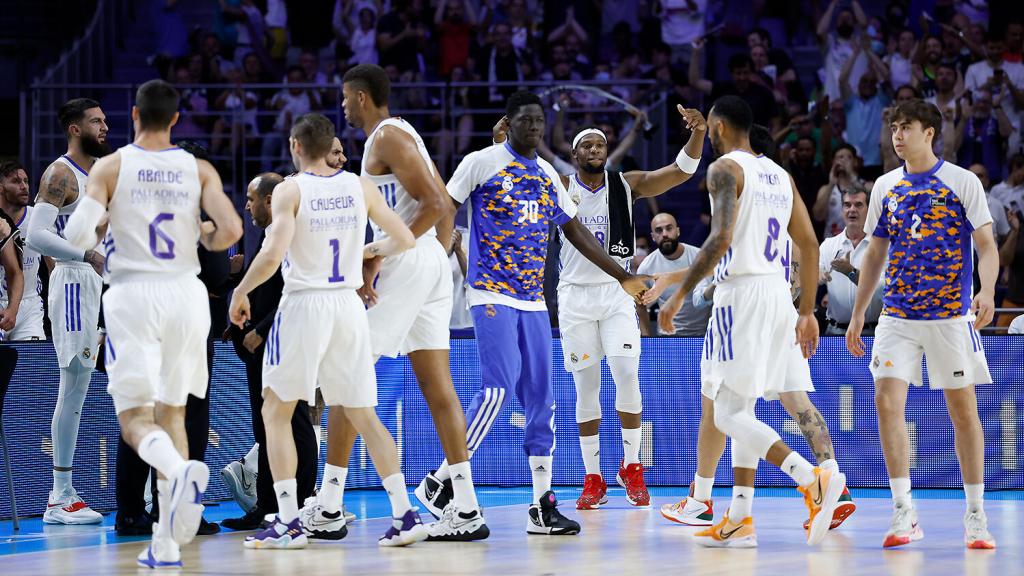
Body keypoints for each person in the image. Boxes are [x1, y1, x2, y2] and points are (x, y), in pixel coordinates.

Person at [429, 90, 648, 536]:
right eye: (524, 121)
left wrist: (620, 275)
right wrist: (432, 268)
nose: (533, 128)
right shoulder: (480, 162)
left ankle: (541, 505)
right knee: (498, 390)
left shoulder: (549, 174)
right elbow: (442, 211)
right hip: (490, 292)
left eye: (538, 122)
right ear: (507, 124)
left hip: (533, 301)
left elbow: (578, 233)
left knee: (541, 404)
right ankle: (442, 480)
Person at [295, 64, 487, 542]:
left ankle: (331, 506)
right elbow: (444, 199)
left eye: (344, 97)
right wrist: (436, 258)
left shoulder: (385, 137)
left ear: (361, 97)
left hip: (406, 260)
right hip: (424, 261)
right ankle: (465, 508)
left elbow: (436, 204)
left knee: (347, 375)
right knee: (436, 385)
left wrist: (381, 253)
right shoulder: (404, 135)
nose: (341, 106)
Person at [62, 79, 243, 568]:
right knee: (175, 414)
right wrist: (199, 228)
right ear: (176, 120)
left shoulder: (113, 165)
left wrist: (105, 223)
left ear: (136, 117)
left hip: (135, 295)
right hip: (188, 296)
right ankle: (165, 543)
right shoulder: (196, 167)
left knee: (136, 419)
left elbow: (79, 232)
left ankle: (177, 473)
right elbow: (230, 231)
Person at [228, 112, 426, 550]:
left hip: (305, 304)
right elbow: (406, 239)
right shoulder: (359, 185)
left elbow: (274, 251)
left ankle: (287, 521)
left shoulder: (290, 188)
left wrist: (241, 289)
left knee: (275, 411)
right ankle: (404, 513)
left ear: (296, 146)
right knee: (361, 412)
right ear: (328, 145)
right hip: (347, 305)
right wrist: (366, 251)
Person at [657, 95, 847, 548]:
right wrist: (806, 311)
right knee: (743, 410)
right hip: (779, 296)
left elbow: (720, 239)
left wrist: (676, 295)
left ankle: (812, 480)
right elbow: (808, 241)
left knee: (724, 412)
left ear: (718, 129)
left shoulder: (724, 170)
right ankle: (740, 517)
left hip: (740, 296)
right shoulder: (780, 175)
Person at [534, 105, 705, 511]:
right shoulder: (562, 185)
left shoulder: (626, 184)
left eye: (601, 144)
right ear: (574, 155)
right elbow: (522, 171)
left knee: (628, 376)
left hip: (616, 295)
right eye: (587, 144)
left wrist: (697, 134)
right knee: (585, 389)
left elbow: (680, 171)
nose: (595, 148)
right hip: (575, 297)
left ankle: (632, 466)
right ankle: (592, 477)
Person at [847, 99, 998, 549]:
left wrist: (987, 290)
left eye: (906, 127)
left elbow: (987, 246)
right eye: (893, 126)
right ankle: (903, 511)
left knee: (963, 412)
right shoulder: (885, 186)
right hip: (897, 316)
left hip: (950, 317)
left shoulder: (962, 182)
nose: (897, 135)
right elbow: (874, 253)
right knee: (886, 401)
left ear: (929, 133)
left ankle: (975, 515)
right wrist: (859, 314)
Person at [219, 173, 321, 532]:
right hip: (257, 346)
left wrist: (261, 329)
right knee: (266, 429)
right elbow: (263, 289)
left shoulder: (291, 236)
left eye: (251, 198)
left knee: (295, 423)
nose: (246, 205)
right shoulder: (266, 235)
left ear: (269, 200)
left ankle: (307, 503)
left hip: (284, 340)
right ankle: (266, 507)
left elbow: (297, 291)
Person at [24, 98, 109, 524]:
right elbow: (36, 235)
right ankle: (59, 495)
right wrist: (85, 253)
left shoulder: (98, 174)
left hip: (94, 284)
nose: (104, 127)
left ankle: (65, 491)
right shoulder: (61, 173)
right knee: (72, 386)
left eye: (105, 120)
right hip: (74, 281)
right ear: (74, 129)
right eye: (96, 121)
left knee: (80, 389)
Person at [818, 188, 883, 335]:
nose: (852, 210)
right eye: (847, 205)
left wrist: (850, 272)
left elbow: (881, 288)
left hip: (871, 334)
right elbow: (815, 273)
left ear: (869, 209)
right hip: (835, 334)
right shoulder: (828, 245)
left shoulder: (882, 246)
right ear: (842, 210)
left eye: (858, 205)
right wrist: (819, 275)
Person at [637, 213, 711, 337]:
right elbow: (639, 306)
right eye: (659, 230)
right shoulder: (646, 267)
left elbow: (704, 297)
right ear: (653, 237)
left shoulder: (700, 257)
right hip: (667, 337)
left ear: (678, 231)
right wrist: (647, 339)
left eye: (669, 228)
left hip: (703, 334)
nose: (664, 234)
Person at [0, 161, 40, 340]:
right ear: (1, 188)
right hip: (2, 304)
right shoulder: (2, 225)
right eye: (16, 182)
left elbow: (53, 266)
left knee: (32, 365)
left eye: (26, 181)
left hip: (30, 304)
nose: (24, 187)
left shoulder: (37, 218)